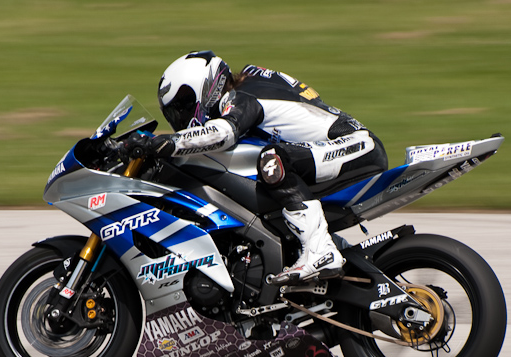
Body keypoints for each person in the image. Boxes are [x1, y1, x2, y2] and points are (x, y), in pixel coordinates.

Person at [127, 51, 388, 285]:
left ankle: (320, 252)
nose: (181, 118)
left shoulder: (243, 95)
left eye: (183, 105)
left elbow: (224, 133)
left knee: (273, 160)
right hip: (342, 149)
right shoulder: (250, 86)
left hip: (356, 147)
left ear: (204, 87)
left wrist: (167, 143)